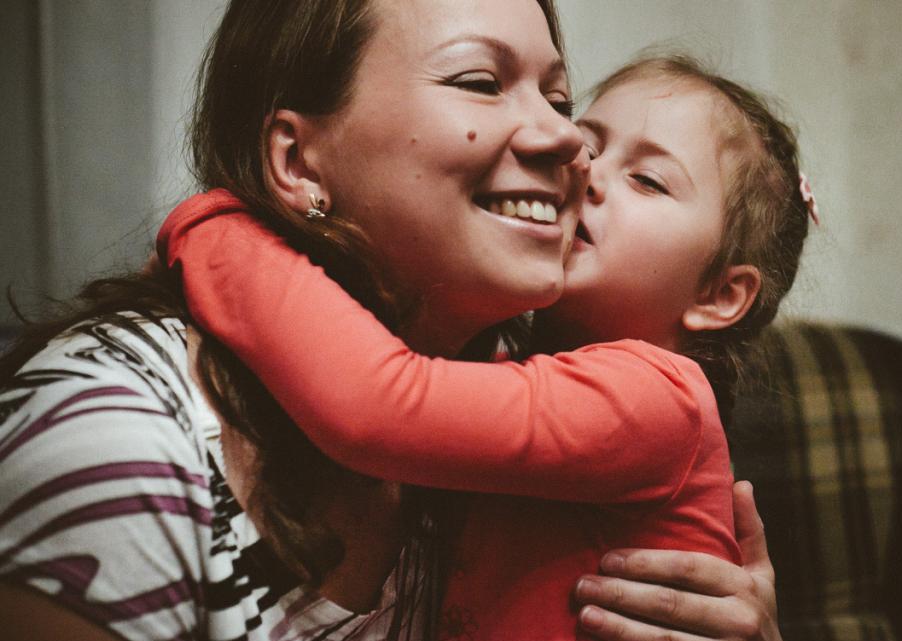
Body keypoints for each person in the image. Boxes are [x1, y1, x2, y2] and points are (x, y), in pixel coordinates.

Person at [0, 1, 781, 640]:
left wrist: (211, 230)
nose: (567, 142)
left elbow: (382, 402)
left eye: (558, 98)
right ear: (298, 162)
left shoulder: (529, 366)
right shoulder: (116, 445)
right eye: (480, 81)